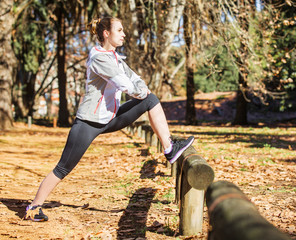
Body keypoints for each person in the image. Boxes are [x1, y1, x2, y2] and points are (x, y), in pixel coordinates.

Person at [24, 17, 194, 222]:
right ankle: (34, 207)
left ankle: (169, 149)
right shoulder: (99, 58)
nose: (124, 34)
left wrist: (143, 89)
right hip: (88, 123)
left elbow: (133, 78)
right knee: (63, 168)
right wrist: (140, 89)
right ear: (106, 33)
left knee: (151, 100)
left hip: (110, 119)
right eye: (120, 30)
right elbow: (125, 85)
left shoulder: (114, 57)